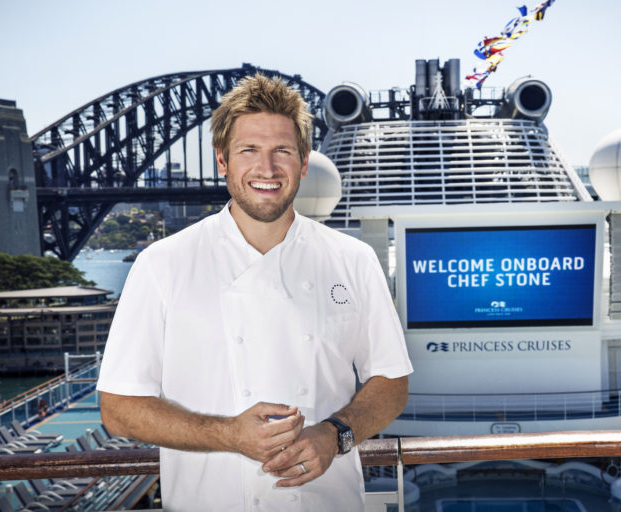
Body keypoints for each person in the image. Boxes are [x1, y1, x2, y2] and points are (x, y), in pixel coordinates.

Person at [97, 73, 413, 511]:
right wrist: (228, 434)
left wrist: (335, 435)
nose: (267, 169)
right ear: (222, 161)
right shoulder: (162, 264)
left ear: (304, 163)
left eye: (282, 151)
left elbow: (392, 382)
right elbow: (118, 408)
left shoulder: (353, 260)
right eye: (249, 150)